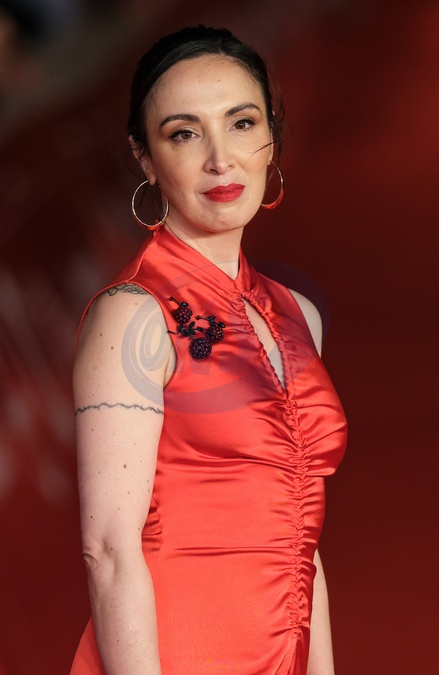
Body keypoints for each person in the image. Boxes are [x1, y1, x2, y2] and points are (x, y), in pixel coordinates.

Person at [70, 25, 347, 675]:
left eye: (242, 124)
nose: (221, 159)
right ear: (145, 158)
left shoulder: (297, 314)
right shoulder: (132, 316)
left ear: (271, 136)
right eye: (184, 133)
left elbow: (301, 542)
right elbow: (108, 551)